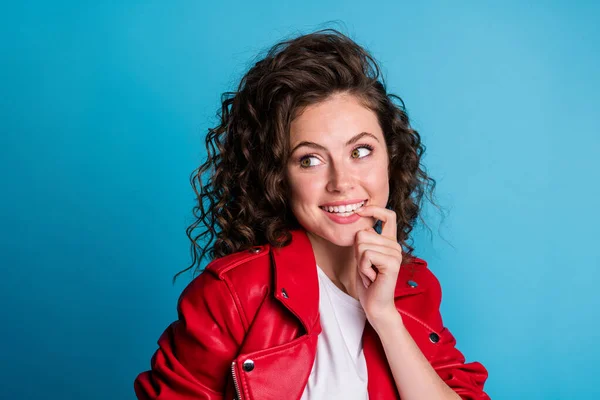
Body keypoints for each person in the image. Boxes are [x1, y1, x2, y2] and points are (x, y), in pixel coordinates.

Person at [134, 28, 491, 400]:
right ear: (279, 178)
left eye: (361, 151)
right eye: (310, 159)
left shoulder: (414, 285)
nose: (341, 182)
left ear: (392, 156)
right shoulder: (233, 294)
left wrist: (386, 318)